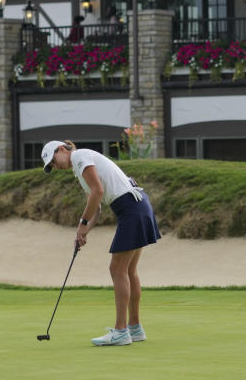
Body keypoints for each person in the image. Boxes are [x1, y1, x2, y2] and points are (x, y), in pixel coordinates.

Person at [42, 140, 161, 347]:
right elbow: (96, 207)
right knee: (129, 270)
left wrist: (82, 223)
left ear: (61, 149)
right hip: (138, 206)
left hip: (132, 209)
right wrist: (84, 231)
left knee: (117, 269)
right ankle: (134, 328)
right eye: (51, 166)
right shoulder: (80, 169)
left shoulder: (79, 157)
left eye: (54, 160)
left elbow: (98, 192)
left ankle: (121, 331)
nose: (56, 166)